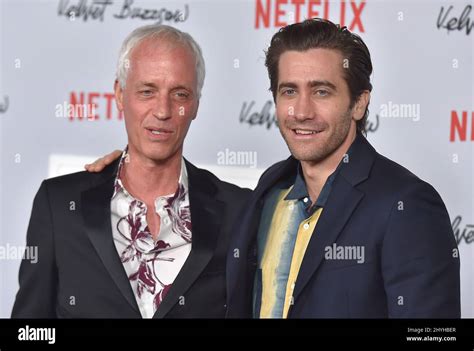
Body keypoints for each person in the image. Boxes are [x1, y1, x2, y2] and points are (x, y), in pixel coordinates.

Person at [85, 19, 461, 319]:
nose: (301, 111)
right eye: (289, 91)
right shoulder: (268, 194)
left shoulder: (404, 204)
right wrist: (133, 168)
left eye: (322, 91)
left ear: (359, 103)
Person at [11, 24, 250, 318]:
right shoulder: (59, 205)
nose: (162, 110)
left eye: (180, 94)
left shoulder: (239, 211)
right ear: (120, 95)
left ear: (196, 104)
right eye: (147, 91)